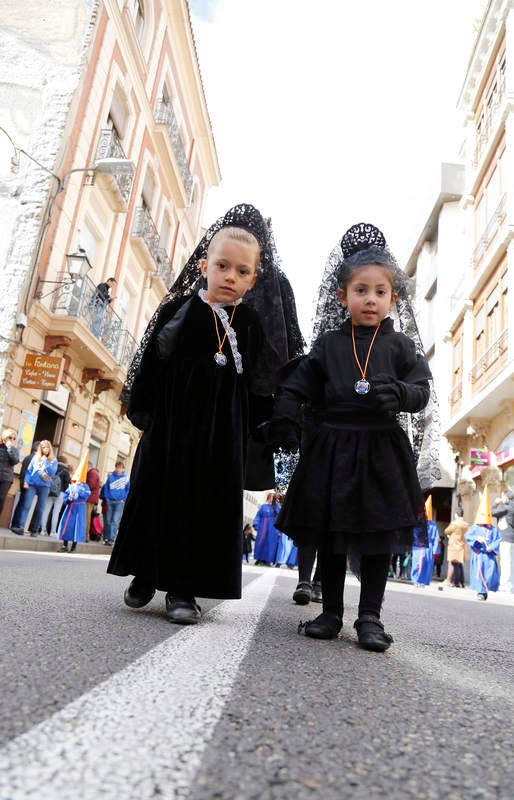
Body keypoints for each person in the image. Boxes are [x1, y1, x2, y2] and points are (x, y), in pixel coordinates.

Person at [107, 204, 303, 624]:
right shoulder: (179, 309)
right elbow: (153, 363)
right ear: (204, 266)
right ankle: (145, 573)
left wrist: (262, 428)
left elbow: (259, 381)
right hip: (174, 425)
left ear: (253, 279)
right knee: (159, 494)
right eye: (222, 266)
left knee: (204, 506)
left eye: (241, 271)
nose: (230, 277)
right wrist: (151, 413)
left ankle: (184, 589)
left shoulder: (250, 323)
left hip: (220, 435)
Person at [266, 222, 434, 651]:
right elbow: (299, 385)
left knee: (375, 538)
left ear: (393, 298)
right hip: (332, 447)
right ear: (343, 297)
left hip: (380, 449)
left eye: (380, 291)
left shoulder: (400, 346)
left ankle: (370, 618)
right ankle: (331, 613)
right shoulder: (328, 344)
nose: (371, 299)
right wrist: (285, 416)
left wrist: (399, 393)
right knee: (333, 535)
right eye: (361, 290)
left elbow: (421, 390)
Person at [11, 440, 57, 536]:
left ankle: (35, 530)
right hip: (32, 484)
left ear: (50, 449)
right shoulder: (35, 458)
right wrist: (26, 482)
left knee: (40, 508)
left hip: (44, 486)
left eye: (47, 447)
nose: (45, 449)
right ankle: (21, 527)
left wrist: (46, 462)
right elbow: (29, 471)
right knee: (26, 505)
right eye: (43, 447)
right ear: (40, 448)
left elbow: (52, 472)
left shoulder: (53, 460)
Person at [465, 486, 501, 600]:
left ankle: (485, 591)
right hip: (479, 555)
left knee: (489, 575)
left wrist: (492, 547)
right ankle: (480, 592)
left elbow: (498, 539)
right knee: (479, 572)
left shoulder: (493, 529)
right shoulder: (475, 527)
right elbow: (468, 536)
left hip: (489, 556)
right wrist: (477, 539)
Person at [58, 451, 91, 553]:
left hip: (79, 509)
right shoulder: (71, 485)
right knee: (67, 525)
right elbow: (66, 496)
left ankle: (74, 546)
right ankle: (64, 544)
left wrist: (77, 492)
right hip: (70, 508)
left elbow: (86, 494)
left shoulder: (85, 486)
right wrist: (69, 498)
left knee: (76, 526)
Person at [411, 495, 440, 587]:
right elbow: (413, 533)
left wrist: (435, 550)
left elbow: (436, 537)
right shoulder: (418, 522)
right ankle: (416, 580)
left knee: (427, 563)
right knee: (418, 562)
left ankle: (423, 581)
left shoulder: (433, 524)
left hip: (429, 546)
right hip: (419, 545)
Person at [40, 455, 71, 537]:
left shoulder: (52, 467)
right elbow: (68, 484)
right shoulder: (65, 471)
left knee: (45, 510)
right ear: (65, 462)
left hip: (49, 491)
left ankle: (43, 530)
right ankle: (53, 532)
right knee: (56, 512)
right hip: (60, 493)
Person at [10, 441, 38, 530]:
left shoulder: (27, 457)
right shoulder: (35, 459)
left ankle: (14, 524)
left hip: (23, 482)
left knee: (21, 504)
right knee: (24, 505)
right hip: (28, 484)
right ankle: (18, 525)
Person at [491, 489, 514, 593]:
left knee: (505, 562)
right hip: (511, 538)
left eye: (502, 496)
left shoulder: (507, 507)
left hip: (506, 538)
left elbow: (492, 512)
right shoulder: (511, 507)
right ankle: (509, 585)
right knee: (510, 562)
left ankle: (505, 586)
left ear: (506, 498)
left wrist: (496, 502)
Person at [102, 461, 130, 545]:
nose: (118, 469)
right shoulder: (111, 477)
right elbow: (106, 488)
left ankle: (111, 538)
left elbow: (128, 490)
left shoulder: (126, 479)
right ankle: (106, 538)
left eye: (120, 468)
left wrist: (124, 499)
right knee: (107, 520)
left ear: (123, 469)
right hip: (110, 500)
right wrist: (107, 497)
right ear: (115, 467)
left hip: (119, 502)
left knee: (115, 520)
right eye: (117, 467)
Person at [253, 493, 281, 566]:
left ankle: (267, 560)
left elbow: (279, 514)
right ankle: (259, 558)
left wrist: (275, 505)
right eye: (272, 497)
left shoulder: (277, 506)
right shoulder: (263, 506)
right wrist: (256, 524)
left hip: (272, 527)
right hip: (263, 525)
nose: (273, 499)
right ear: (268, 498)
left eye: (274, 498)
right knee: (260, 541)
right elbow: (258, 515)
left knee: (270, 543)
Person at [443, 509, 469, 588]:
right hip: (461, 545)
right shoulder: (465, 524)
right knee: (459, 564)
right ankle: (462, 582)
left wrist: (450, 535)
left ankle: (455, 582)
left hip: (454, 545)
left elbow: (446, 531)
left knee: (454, 564)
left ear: (456, 514)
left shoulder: (454, 523)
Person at [0, 428, 20, 516]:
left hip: (6, 478)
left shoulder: (14, 450)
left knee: (1, 499)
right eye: (10, 437)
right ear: (4, 437)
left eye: (14, 438)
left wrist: (9, 448)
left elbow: (15, 461)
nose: (12, 440)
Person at [85, 462, 101, 541]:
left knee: (86, 517)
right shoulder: (93, 473)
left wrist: (82, 484)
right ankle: (85, 535)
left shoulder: (92, 473)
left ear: (89, 466)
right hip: (91, 498)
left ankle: (86, 536)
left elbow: (91, 485)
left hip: (89, 498)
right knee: (86, 517)